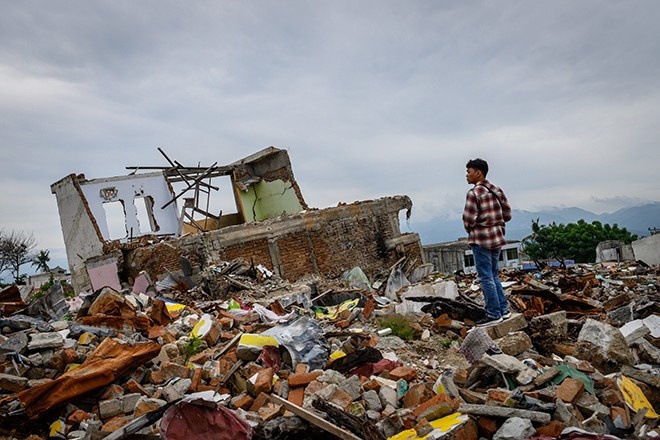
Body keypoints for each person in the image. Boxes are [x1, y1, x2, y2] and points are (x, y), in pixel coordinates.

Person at [462, 158, 512, 326]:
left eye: (468, 172)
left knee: (485, 277)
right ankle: (503, 310)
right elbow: (508, 214)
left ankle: (493, 313)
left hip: (481, 239)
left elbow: (468, 219)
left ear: (478, 173)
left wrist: (472, 228)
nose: (466, 175)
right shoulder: (496, 190)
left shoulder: (474, 193)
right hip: (497, 237)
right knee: (493, 274)